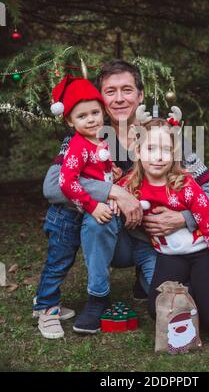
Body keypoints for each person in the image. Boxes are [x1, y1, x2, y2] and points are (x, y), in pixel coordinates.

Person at [42, 60, 209, 334]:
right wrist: (115, 191)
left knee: (180, 301)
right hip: (113, 239)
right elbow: (52, 186)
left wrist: (183, 218)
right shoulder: (84, 136)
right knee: (100, 215)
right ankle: (97, 298)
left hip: (158, 245)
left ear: (140, 95)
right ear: (101, 97)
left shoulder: (167, 137)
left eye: (127, 89)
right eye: (110, 91)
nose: (119, 98)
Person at [119, 109, 209, 330]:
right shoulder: (130, 186)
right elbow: (112, 191)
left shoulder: (188, 188)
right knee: (157, 311)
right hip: (169, 256)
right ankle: (195, 288)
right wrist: (115, 198)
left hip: (201, 253)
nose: (159, 157)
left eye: (166, 150)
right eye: (151, 149)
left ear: (174, 154)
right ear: (139, 151)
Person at [34, 74, 122, 339]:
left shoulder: (100, 141)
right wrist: (94, 205)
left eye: (95, 112)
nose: (91, 119)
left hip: (77, 214)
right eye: (82, 116)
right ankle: (46, 308)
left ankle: (46, 302)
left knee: (65, 260)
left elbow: (95, 171)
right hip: (65, 216)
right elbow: (67, 183)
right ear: (70, 121)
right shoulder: (76, 145)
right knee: (58, 263)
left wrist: (112, 173)